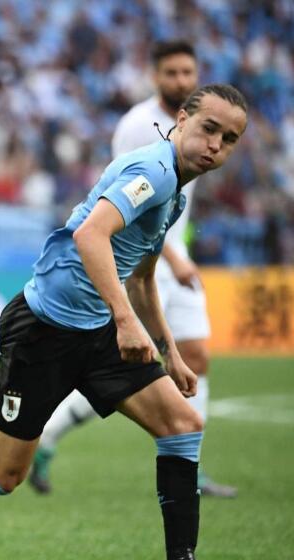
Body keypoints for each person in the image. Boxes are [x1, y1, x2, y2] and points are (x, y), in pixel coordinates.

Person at [0, 84, 248, 560]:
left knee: (183, 425)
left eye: (230, 139)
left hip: (98, 331)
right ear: (181, 119)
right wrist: (125, 322)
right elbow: (91, 235)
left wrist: (169, 351)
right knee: (1, 475)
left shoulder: (174, 192)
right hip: (43, 332)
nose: (216, 145)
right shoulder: (153, 171)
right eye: (209, 129)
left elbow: (142, 275)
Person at [29, 40, 237, 499]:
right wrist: (174, 258)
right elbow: (126, 202)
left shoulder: (208, 127)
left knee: (189, 358)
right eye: (172, 73)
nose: (181, 80)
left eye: (188, 72)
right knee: (120, 368)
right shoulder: (139, 127)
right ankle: (54, 434)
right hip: (137, 253)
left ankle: (188, 459)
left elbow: (174, 203)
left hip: (166, 251)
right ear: (154, 76)